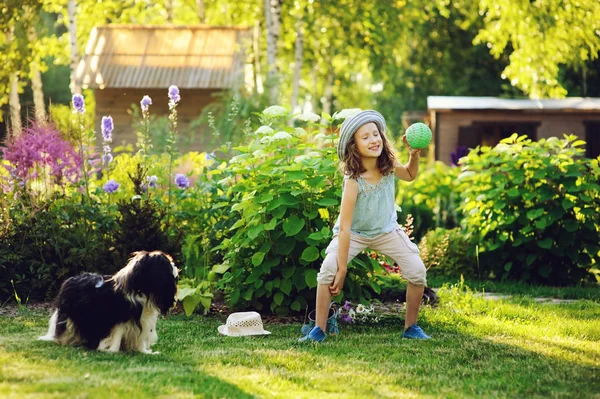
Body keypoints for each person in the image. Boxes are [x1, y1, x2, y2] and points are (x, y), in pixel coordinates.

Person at [299, 110, 431, 342]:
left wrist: (414, 155)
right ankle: (318, 329)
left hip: (386, 231)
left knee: (417, 272)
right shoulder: (353, 181)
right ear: (354, 146)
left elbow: (410, 174)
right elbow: (346, 228)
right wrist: (342, 269)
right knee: (327, 270)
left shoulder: (388, 165)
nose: (374, 140)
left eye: (375, 134)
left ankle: (411, 327)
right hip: (355, 234)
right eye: (366, 137)